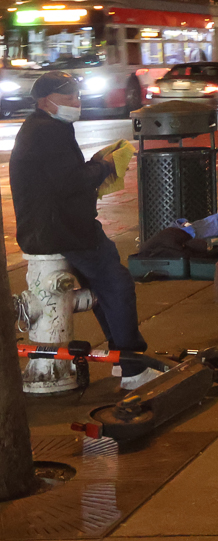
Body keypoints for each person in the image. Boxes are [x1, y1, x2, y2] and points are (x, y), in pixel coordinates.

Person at [10, 72, 160, 390]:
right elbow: (70, 183)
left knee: (106, 286)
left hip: (49, 228)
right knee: (116, 285)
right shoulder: (49, 131)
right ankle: (132, 366)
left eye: (78, 97)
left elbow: (63, 176)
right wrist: (104, 165)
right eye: (68, 99)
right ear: (44, 101)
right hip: (66, 230)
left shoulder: (41, 127)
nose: (76, 103)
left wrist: (94, 164)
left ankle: (126, 360)